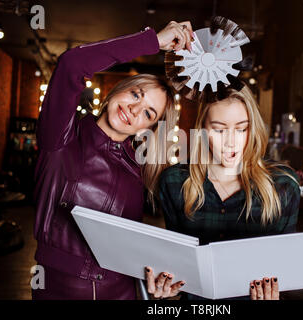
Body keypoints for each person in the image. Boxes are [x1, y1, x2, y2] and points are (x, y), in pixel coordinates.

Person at [32, 21, 194, 300]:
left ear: (149, 129)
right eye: (135, 94)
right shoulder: (61, 137)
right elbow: (72, 63)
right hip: (60, 289)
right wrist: (153, 41)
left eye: (148, 113)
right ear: (119, 89)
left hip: (123, 292)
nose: (133, 109)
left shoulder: (138, 171)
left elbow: (131, 249)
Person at [158, 83, 301, 300]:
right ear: (202, 129)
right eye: (219, 129)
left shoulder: (283, 186)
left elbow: (287, 271)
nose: (231, 142)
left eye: (241, 129)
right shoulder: (175, 182)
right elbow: (176, 266)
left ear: (252, 129)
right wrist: (168, 292)